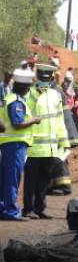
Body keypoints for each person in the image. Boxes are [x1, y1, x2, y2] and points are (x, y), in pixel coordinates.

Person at [23, 65, 70, 219]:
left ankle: (40, 209)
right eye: (41, 79)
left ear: (51, 79)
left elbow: (59, 120)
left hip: (50, 148)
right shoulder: (29, 94)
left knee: (44, 180)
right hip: (33, 148)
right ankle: (28, 209)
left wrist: (64, 142)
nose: (44, 82)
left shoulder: (55, 96)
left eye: (47, 79)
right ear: (36, 78)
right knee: (31, 181)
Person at [0, 69, 40, 221]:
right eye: (28, 87)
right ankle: (11, 211)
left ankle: (3, 208)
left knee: (5, 178)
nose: (29, 89)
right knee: (12, 178)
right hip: (15, 145)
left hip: (8, 144)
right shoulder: (16, 101)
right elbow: (17, 124)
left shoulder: (7, 98)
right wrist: (34, 120)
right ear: (23, 87)